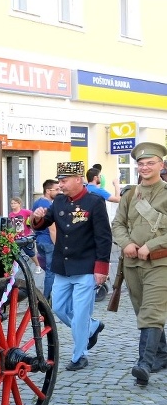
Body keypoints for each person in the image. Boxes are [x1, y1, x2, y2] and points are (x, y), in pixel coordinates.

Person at [30, 161, 111, 372]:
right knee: (58, 308)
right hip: (62, 267)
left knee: (81, 313)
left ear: (78, 179)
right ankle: (92, 327)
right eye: (59, 181)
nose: (61, 185)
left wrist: (101, 268)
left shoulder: (94, 202)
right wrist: (36, 217)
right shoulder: (58, 202)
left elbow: (103, 237)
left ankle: (80, 354)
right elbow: (43, 222)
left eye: (64, 181)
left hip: (86, 266)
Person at [111, 142, 167, 385]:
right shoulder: (130, 194)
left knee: (151, 311)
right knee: (142, 310)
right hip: (132, 264)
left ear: (161, 165)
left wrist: (151, 246)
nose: (144, 167)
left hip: (160, 263)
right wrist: (126, 243)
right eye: (141, 164)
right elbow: (118, 224)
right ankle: (162, 355)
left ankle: (144, 363)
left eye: (150, 163)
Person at [32, 179, 59, 301]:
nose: (59, 191)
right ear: (48, 190)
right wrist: (58, 245)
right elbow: (52, 229)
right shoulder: (49, 205)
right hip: (49, 241)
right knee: (51, 272)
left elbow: (32, 222)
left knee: (48, 270)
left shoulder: (37, 203)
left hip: (39, 240)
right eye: (57, 189)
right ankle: (46, 298)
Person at [8, 195, 39, 269]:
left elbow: (34, 215)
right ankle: (14, 268)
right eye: (11, 203)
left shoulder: (25, 212)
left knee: (30, 253)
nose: (13, 205)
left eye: (15, 203)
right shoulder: (11, 214)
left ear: (19, 204)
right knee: (15, 253)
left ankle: (38, 266)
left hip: (26, 236)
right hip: (16, 237)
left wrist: (30, 223)